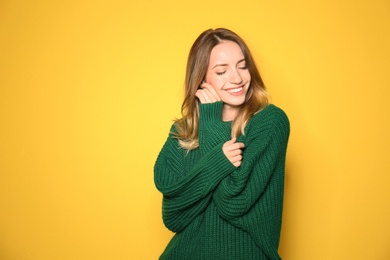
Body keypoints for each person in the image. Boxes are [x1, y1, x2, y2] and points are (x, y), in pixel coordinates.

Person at [154, 28, 290, 260]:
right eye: (221, 71)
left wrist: (212, 131)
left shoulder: (269, 122)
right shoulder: (184, 131)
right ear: (201, 79)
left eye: (242, 65)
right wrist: (219, 161)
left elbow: (234, 202)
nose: (237, 78)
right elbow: (173, 216)